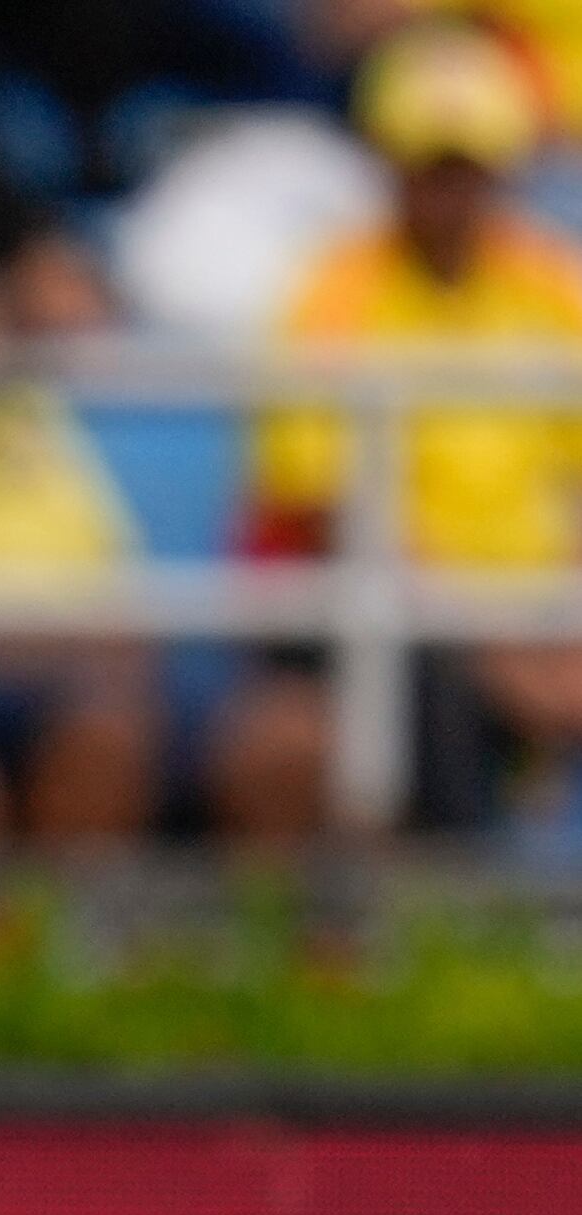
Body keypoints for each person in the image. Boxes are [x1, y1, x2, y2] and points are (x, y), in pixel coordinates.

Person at [217, 18, 582, 851]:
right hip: (384, 612)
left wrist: (563, 629)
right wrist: (491, 646)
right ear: (388, 164)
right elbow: (329, 506)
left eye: (469, 168)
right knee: (428, 684)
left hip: (537, 622)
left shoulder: (556, 287)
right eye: (431, 167)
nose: (451, 192)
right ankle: (462, 919)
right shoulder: (331, 294)